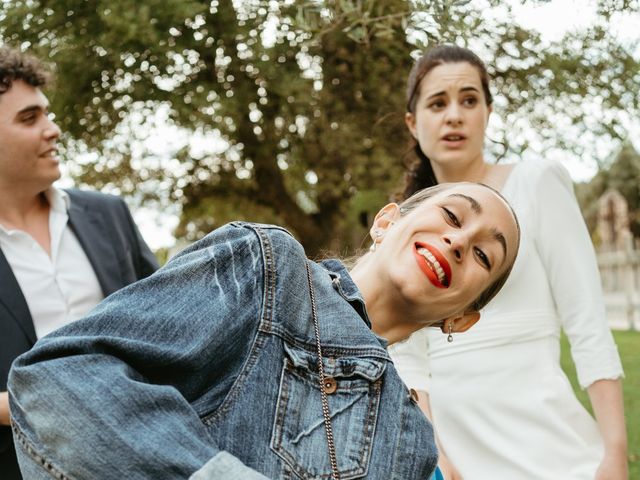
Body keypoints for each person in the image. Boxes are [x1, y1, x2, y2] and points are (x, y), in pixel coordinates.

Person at [8, 182, 520, 479]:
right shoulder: (266, 267)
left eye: (481, 255)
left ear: (461, 319)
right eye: (453, 215)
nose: (458, 240)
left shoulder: (412, 445)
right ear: (386, 221)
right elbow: (58, 377)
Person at [388, 44, 627, 480]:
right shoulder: (409, 222)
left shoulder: (536, 183)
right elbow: (409, 357)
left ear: (488, 113)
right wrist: (434, 453)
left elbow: (586, 320)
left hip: (551, 447)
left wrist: (614, 453)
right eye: (438, 103)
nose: (454, 115)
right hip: (457, 457)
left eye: (469, 100)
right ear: (413, 122)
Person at [0, 46, 159, 479]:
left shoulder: (109, 215)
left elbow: (164, 327)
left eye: (47, 114)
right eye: (29, 119)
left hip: (146, 454)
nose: (52, 130)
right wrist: (37, 402)